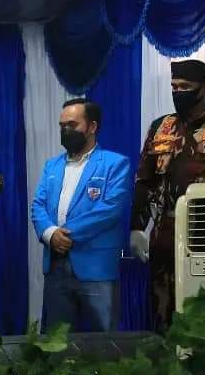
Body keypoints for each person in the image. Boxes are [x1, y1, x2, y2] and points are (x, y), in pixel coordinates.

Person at [130, 59, 205, 332]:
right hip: (166, 234)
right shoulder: (161, 126)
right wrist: (136, 227)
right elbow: (144, 181)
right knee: (163, 313)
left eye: (185, 87)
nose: (178, 92)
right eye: (174, 87)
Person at [31, 98, 131, 333]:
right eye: (62, 126)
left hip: (97, 269)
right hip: (56, 266)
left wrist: (63, 235)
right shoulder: (51, 166)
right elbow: (38, 206)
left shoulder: (115, 164)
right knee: (56, 342)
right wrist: (50, 233)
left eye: (72, 125)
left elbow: (109, 209)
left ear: (92, 127)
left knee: (104, 342)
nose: (65, 130)